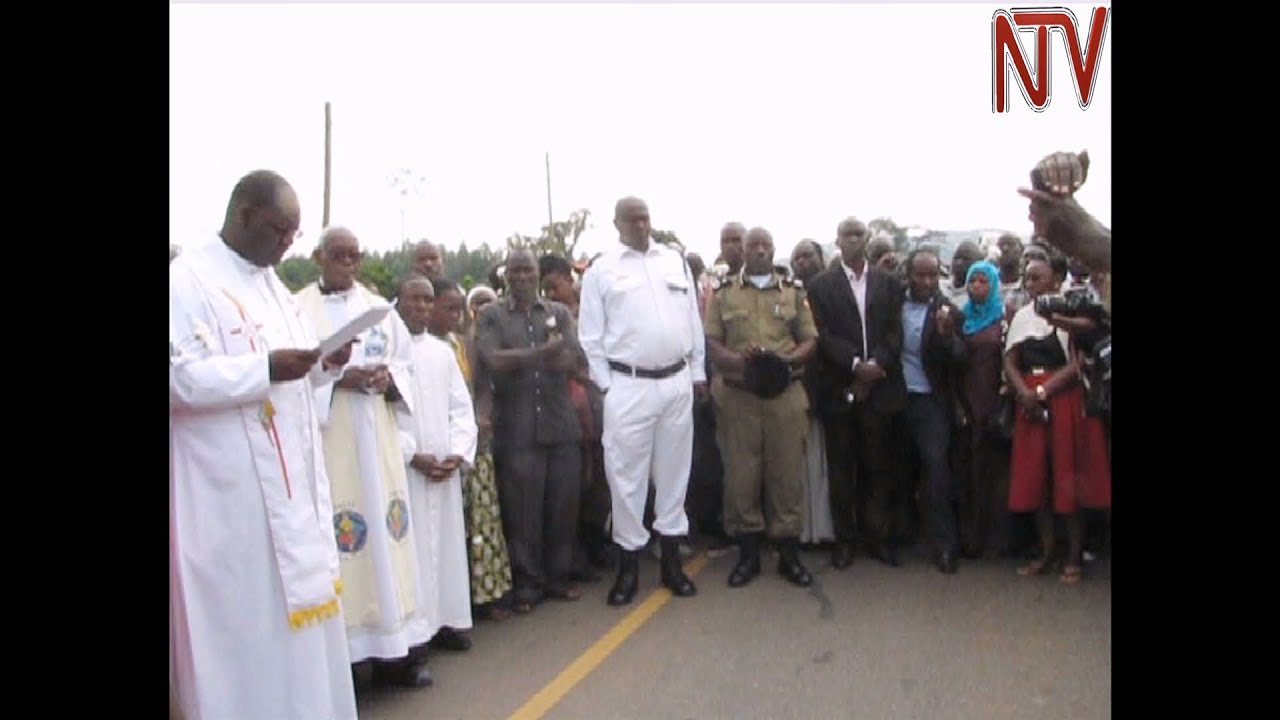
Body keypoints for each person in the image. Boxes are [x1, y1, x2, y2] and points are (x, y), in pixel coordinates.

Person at [170, 170, 358, 719]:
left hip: (293, 492)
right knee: (247, 637)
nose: (286, 244)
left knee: (303, 645)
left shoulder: (276, 289)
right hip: (232, 502)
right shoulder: (187, 281)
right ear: (244, 214)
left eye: (295, 235)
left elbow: (292, 374)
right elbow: (177, 378)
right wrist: (262, 369)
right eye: (280, 230)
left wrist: (323, 365)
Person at [295, 226, 430, 686]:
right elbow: (295, 376)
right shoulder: (299, 309)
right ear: (318, 257)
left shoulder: (379, 310)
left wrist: (388, 379)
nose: (349, 264)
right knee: (349, 546)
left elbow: (406, 363)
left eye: (355, 255)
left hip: (380, 436)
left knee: (391, 542)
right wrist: (337, 381)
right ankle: (352, 661)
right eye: (339, 255)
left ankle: (401, 654)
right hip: (335, 442)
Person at [578, 196, 707, 606]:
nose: (641, 225)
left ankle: (672, 565)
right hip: (628, 386)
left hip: (675, 381)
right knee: (626, 479)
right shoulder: (602, 270)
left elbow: (693, 321)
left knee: (673, 476)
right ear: (616, 224)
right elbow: (590, 337)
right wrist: (607, 386)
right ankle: (628, 570)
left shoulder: (674, 260)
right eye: (632, 219)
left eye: (645, 217)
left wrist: (697, 373)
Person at [705, 228, 819, 588]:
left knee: (785, 476)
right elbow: (711, 341)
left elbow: (811, 339)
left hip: (784, 395)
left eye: (764, 245)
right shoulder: (723, 294)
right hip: (739, 396)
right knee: (741, 477)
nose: (757, 250)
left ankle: (788, 555)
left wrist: (783, 361)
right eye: (751, 244)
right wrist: (742, 362)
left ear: (772, 250)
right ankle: (748, 555)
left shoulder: (793, 292)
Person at [475, 250, 585, 612]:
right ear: (506, 275)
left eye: (529, 270)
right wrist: (541, 353)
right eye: (516, 270)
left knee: (562, 509)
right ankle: (528, 584)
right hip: (517, 429)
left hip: (560, 424)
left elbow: (570, 359)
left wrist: (521, 357)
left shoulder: (558, 313)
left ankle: (558, 578)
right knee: (522, 513)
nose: (522, 276)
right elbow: (492, 361)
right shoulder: (491, 315)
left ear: (538, 274)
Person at [803, 216, 906, 569]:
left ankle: (877, 538)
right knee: (842, 468)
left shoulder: (890, 284)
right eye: (847, 234)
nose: (853, 239)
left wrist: (876, 363)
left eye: (859, 233)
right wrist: (854, 366)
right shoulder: (820, 286)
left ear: (867, 239)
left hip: (880, 386)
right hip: (839, 386)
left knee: (879, 468)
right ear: (838, 241)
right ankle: (844, 541)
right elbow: (822, 333)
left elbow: (895, 331)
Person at [1004, 258, 1111, 584]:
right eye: (1028, 278)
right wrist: (1025, 393)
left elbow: (1078, 363)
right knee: (1038, 479)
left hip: (1065, 400)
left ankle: (1074, 554)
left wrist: (1041, 393)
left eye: (1038, 277)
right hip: (1030, 402)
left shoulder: (1073, 316)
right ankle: (1047, 551)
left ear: (1056, 280)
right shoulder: (1022, 316)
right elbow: (1010, 361)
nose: (1031, 283)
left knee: (1068, 478)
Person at [393, 274, 479, 663]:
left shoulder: (442, 352)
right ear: (399, 301)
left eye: (429, 301)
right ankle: (415, 636)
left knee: (444, 547)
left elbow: (461, 408)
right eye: (416, 300)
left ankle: (448, 620)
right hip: (407, 470)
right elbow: (381, 417)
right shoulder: (388, 352)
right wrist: (410, 453)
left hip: (443, 467)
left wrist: (458, 453)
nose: (424, 308)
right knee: (410, 553)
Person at [441, 280, 516, 621]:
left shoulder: (466, 345)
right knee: (449, 528)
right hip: (438, 450)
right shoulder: (415, 347)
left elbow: (483, 388)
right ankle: (452, 605)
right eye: (448, 308)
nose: (455, 316)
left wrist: (481, 416)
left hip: (474, 444)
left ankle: (487, 596)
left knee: (482, 524)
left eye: (459, 309)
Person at [889, 249, 967, 573]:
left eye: (932, 275)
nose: (926, 281)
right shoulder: (892, 305)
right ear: (908, 275)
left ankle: (945, 546)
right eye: (920, 275)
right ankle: (896, 538)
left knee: (936, 473)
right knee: (896, 470)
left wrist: (947, 337)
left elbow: (962, 357)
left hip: (931, 402)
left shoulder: (949, 310)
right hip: (894, 397)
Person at [789, 239, 835, 546]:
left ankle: (825, 529)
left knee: (825, 465)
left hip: (829, 387)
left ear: (821, 258)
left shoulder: (831, 292)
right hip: (796, 387)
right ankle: (802, 530)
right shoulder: (789, 294)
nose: (803, 262)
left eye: (809, 256)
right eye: (798, 257)